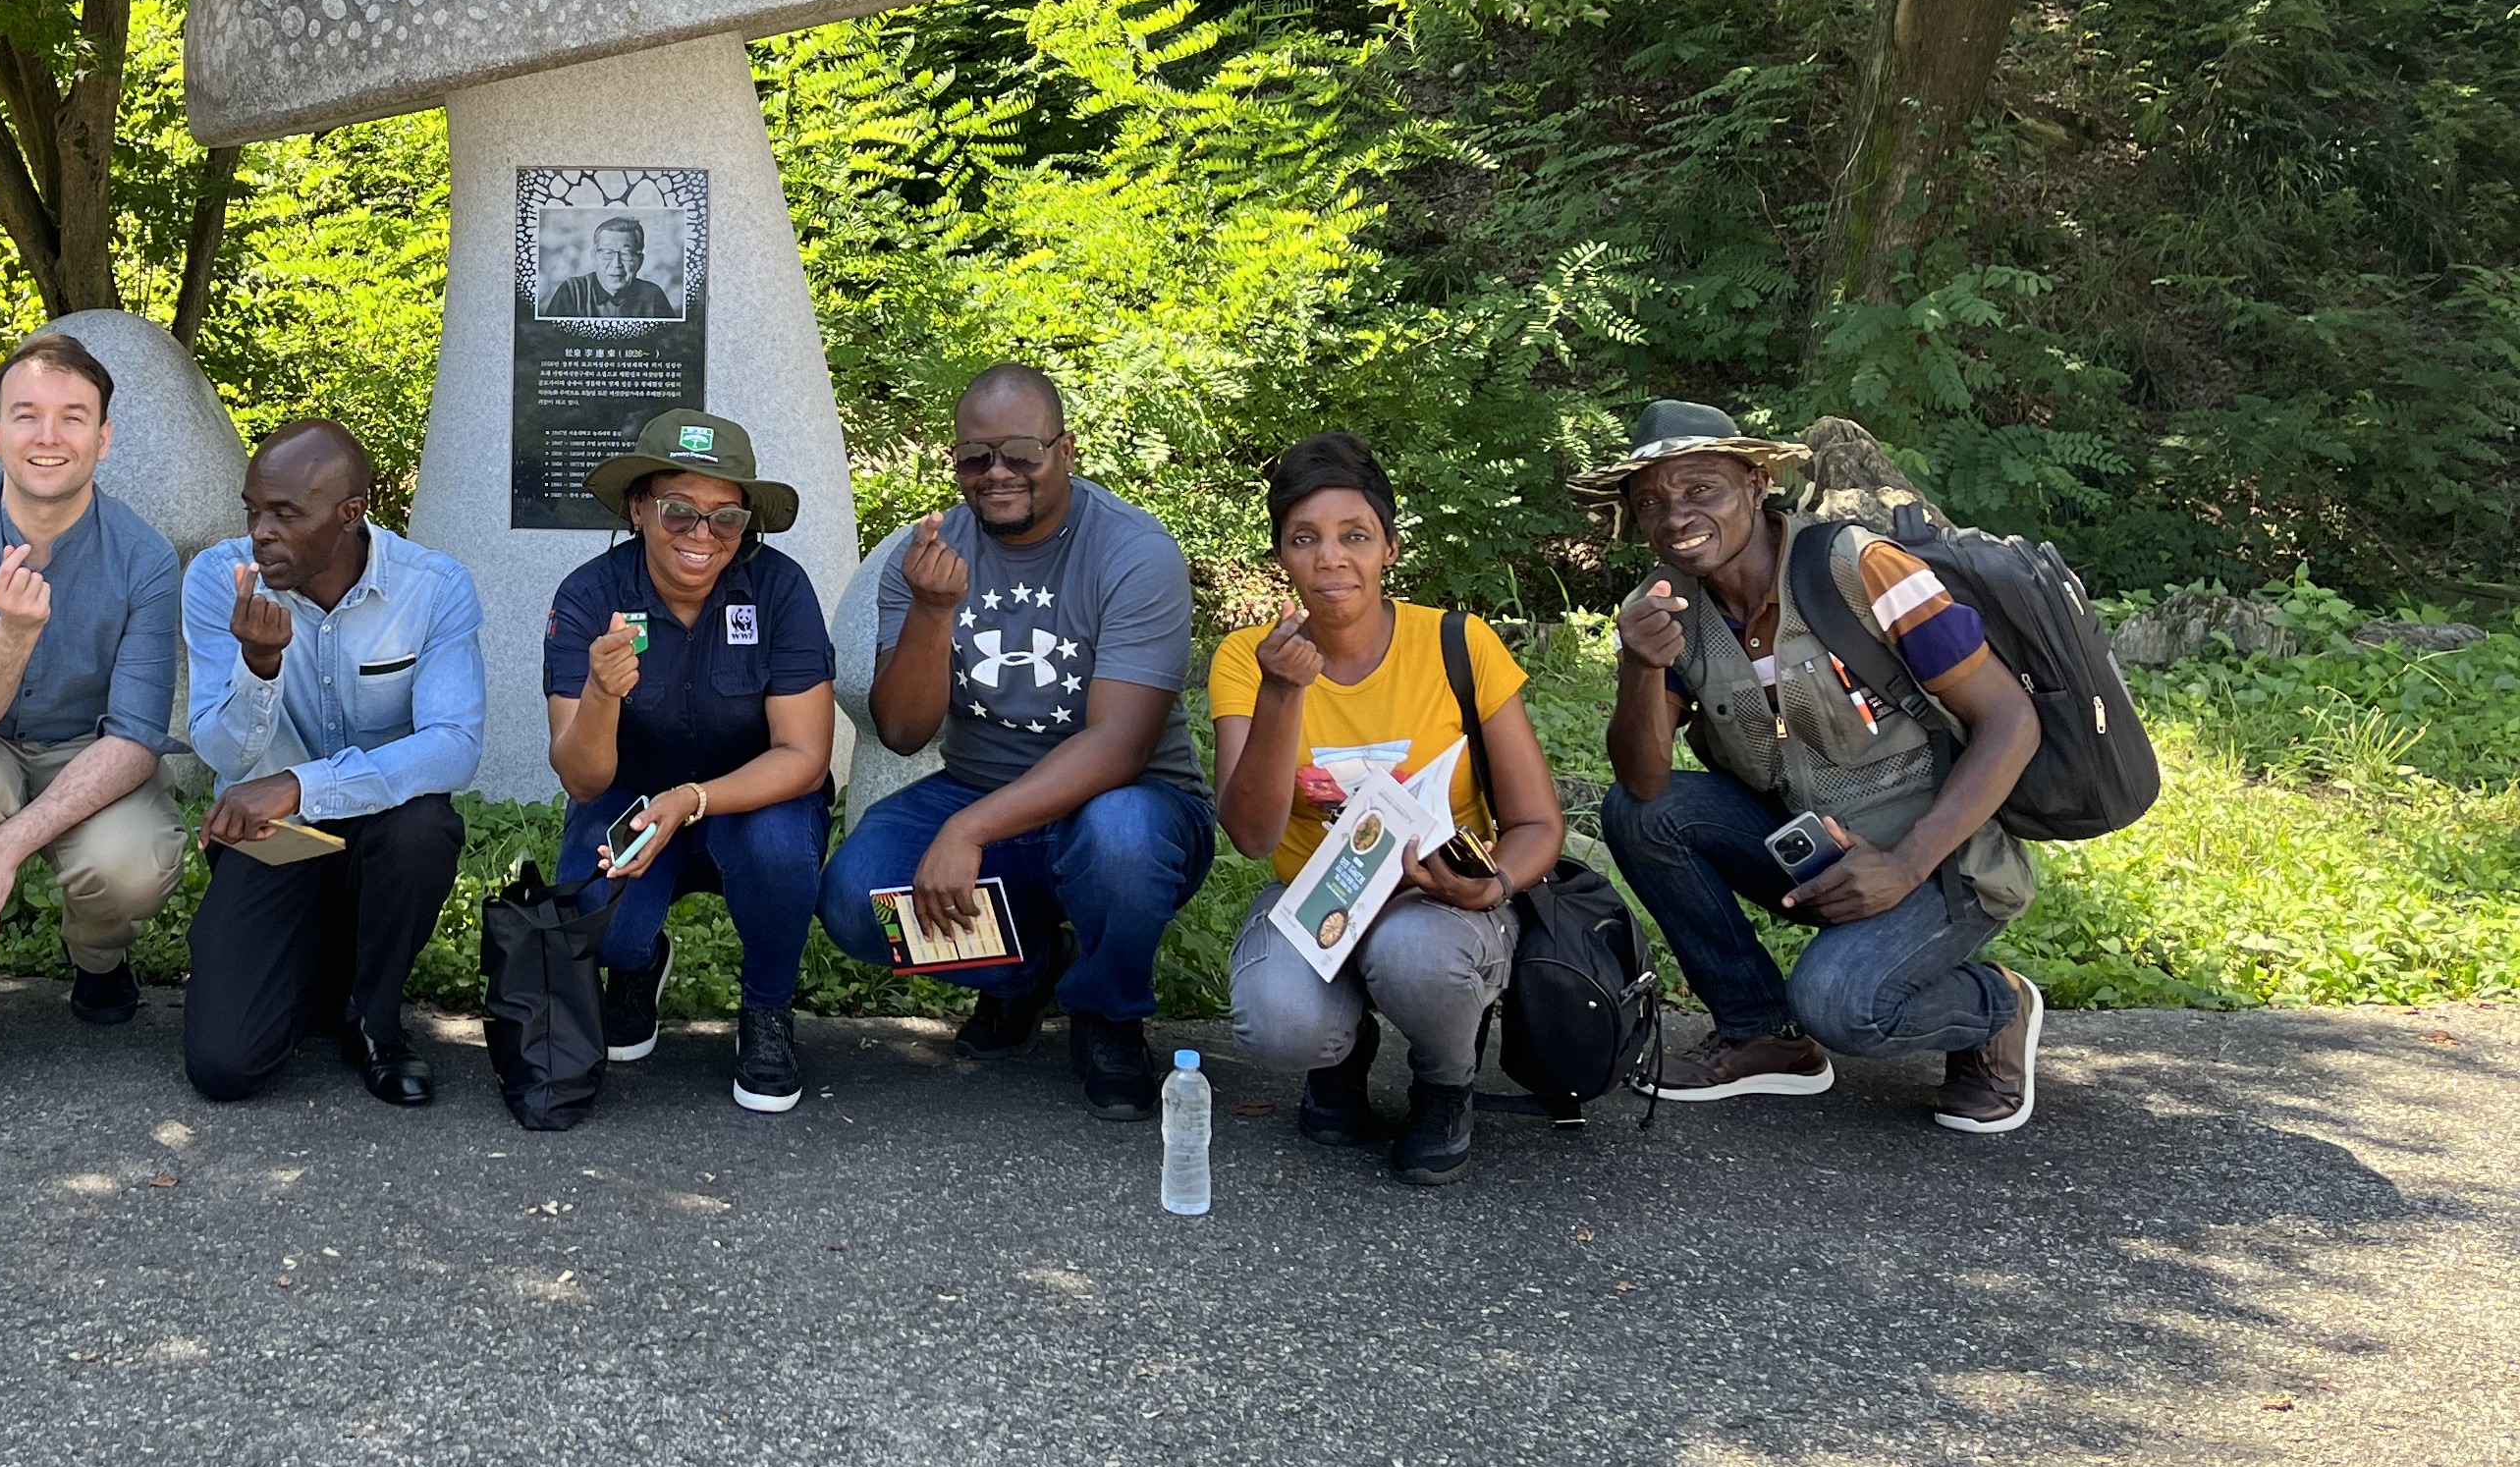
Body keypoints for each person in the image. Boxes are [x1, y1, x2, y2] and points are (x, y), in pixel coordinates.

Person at [1584, 399, 2049, 1132]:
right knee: (1641, 811)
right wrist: (1643, 668)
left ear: (1755, 481)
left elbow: (2010, 720)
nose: (1676, 515)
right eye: (1652, 502)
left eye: (1701, 488)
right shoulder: (1667, 606)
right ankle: (1761, 1033)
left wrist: (1905, 864)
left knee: (1842, 1004)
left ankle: (1995, 1007)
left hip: (1942, 859)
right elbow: (1644, 783)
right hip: (1816, 849)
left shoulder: (1862, 568)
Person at [815, 365, 1219, 1118]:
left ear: (1066, 451)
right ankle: (1026, 972)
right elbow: (903, 732)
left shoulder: (1135, 553)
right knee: (853, 899)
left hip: (1126, 804)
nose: (996, 472)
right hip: (979, 785)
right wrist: (934, 613)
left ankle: (1109, 1015)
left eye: (1020, 453)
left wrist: (969, 829)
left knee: (1121, 837)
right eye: (976, 457)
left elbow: (1120, 747)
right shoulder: (927, 551)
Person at [1209, 433, 1565, 1184]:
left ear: (1390, 549)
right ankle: (1340, 1058)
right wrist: (1282, 693)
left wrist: (1493, 886)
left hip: (1440, 899)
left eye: (1355, 537)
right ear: (1282, 556)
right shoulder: (1250, 656)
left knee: (1414, 955)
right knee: (1278, 1021)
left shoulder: (1456, 643)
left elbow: (1538, 823)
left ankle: (1445, 1082)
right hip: (1316, 897)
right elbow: (1250, 834)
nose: (1331, 558)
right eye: (1304, 539)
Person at [0, 332, 190, 1056]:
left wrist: (5, 849)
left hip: (90, 750)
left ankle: (98, 958)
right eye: (26, 415)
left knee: (135, 860)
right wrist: (14, 633)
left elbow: (133, 740)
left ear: (104, 436)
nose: (48, 436)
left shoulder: (146, 558)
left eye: (73, 416)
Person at [179, 417, 483, 1106]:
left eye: (286, 513)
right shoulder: (219, 581)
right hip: (272, 843)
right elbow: (220, 750)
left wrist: (298, 785)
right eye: (253, 509)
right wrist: (259, 667)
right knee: (226, 1066)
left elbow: (452, 746)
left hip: (380, 830)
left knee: (422, 831)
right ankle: (317, 976)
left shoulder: (432, 588)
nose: (261, 531)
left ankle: (375, 1021)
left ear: (351, 514)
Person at [541, 408, 837, 1113]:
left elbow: (804, 753)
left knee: (777, 849)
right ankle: (637, 967)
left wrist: (694, 800)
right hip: (631, 798)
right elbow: (582, 779)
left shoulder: (780, 590)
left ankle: (767, 1012)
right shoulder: (589, 596)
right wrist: (602, 694)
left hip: (756, 799)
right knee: (594, 910)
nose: (701, 536)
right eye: (678, 511)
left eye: (725, 518)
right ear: (639, 508)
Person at [537, 214, 679, 322]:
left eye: (626, 254)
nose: (616, 264)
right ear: (594, 257)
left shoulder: (653, 296)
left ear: (640, 261)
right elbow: (550, 344)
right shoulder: (573, 292)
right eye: (607, 253)